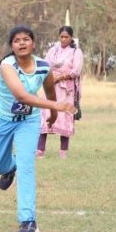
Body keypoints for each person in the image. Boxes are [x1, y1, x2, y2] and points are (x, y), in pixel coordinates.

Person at [0, 25, 76, 232]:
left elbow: (50, 90)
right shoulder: (7, 65)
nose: (22, 43)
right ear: (12, 46)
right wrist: (56, 107)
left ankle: (27, 220)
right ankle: (9, 167)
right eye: (17, 40)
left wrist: (54, 114)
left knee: (27, 165)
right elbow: (21, 96)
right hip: (1, 118)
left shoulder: (43, 66)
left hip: (28, 121)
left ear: (33, 43)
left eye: (26, 39)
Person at [37, 25, 84, 158]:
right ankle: (40, 150)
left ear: (71, 38)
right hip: (50, 87)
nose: (63, 39)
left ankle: (63, 151)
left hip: (66, 90)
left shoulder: (76, 52)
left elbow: (76, 71)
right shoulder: (53, 50)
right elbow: (45, 65)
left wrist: (60, 77)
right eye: (61, 37)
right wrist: (51, 77)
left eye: (66, 37)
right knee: (46, 114)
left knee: (64, 115)